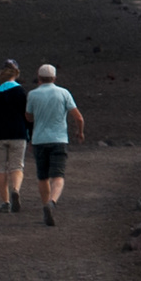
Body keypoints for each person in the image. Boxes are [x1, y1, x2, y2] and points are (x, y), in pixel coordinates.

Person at [24, 61, 84, 225]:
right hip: (58, 140)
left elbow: (28, 117)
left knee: (42, 177)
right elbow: (78, 118)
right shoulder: (64, 93)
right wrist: (80, 132)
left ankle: (45, 206)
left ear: (39, 77)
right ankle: (52, 202)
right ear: (54, 78)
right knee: (58, 177)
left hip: (39, 140)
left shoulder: (33, 95)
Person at [0, 58, 31, 211]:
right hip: (18, 134)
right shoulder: (21, 91)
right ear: (17, 73)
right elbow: (27, 115)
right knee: (17, 166)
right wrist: (30, 134)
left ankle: (6, 202)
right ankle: (15, 189)